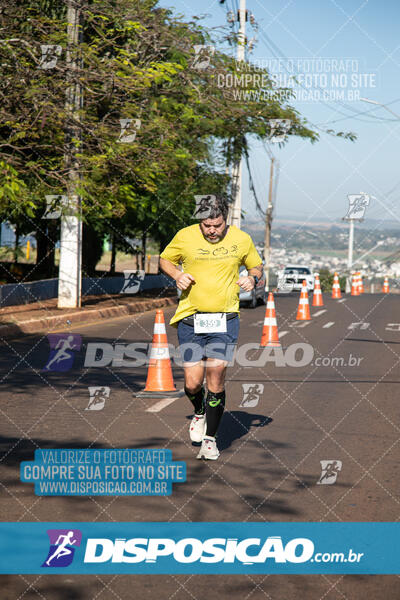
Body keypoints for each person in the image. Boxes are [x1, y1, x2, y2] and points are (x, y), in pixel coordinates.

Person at [159, 196, 263, 460]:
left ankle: (210, 439)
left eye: (216, 225)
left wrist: (252, 278)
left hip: (224, 319)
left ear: (225, 220)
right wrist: (177, 275)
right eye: (206, 225)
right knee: (193, 384)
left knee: (215, 375)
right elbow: (165, 260)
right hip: (191, 318)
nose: (212, 230)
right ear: (200, 222)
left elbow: (256, 265)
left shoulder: (241, 239)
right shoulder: (185, 236)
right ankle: (199, 412)